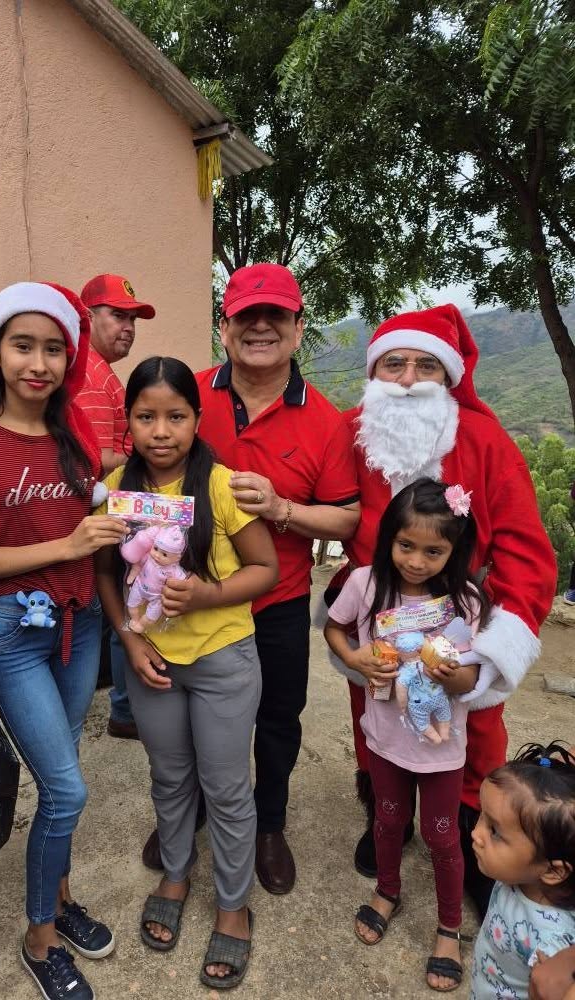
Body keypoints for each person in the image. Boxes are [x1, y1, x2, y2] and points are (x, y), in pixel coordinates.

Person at [0, 282, 128, 1000]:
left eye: (53, 349)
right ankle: (39, 937)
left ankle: (60, 895)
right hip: (13, 632)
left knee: (60, 774)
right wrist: (67, 543)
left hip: (81, 625)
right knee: (68, 789)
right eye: (23, 346)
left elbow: (101, 509)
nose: (38, 363)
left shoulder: (72, 433)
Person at [333, 303, 558, 917]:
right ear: (373, 372)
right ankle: (388, 814)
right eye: (394, 364)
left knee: (473, 734)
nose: (408, 379)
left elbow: (526, 552)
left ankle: (471, 830)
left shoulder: (485, 440)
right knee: (374, 719)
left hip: (460, 628)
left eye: (425, 365)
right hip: (379, 622)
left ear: (450, 376)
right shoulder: (349, 430)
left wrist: (489, 655)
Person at [95, 357, 278, 990]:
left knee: (225, 788)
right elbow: (105, 574)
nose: (161, 431)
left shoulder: (220, 486)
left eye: (175, 416)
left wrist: (205, 595)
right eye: (146, 416)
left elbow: (266, 569)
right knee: (170, 777)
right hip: (152, 662)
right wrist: (128, 639)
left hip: (223, 660)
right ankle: (175, 875)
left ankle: (233, 905)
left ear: (197, 419)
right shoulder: (117, 486)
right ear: (129, 422)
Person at [179, 262, 359, 896]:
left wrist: (283, 508)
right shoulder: (187, 395)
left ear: (297, 328)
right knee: (190, 714)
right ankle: (192, 810)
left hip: (277, 599)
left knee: (279, 717)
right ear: (224, 328)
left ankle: (269, 824)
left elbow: (346, 514)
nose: (260, 327)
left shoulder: (325, 421)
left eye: (275, 315)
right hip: (194, 597)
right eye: (245, 316)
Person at [326, 478, 487, 992]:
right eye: (405, 545)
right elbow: (334, 627)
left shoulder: (465, 600)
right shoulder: (365, 584)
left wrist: (447, 674)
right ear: (388, 538)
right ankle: (388, 891)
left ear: (455, 550)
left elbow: (473, 678)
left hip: (442, 747)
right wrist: (356, 659)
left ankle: (449, 926)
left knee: (442, 836)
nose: (416, 561)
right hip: (385, 738)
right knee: (389, 820)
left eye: (433, 551)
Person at [78, 273, 156, 742]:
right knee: (123, 609)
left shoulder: (99, 370)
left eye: (133, 319)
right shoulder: (89, 374)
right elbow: (92, 460)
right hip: (105, 518)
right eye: (117, 315)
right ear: (87, 318)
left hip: (114, 514)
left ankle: (126, 708)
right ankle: (126, 711)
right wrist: (151, 456)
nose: (127, 327)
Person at [470, 742, 575, 1000]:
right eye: (482, 816)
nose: (475, 833)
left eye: (494, 831)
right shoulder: (517, 875)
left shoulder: (551, 946)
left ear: (553, 872)